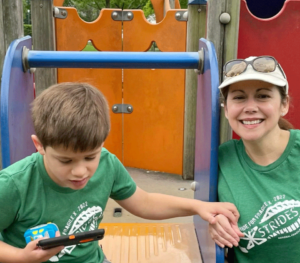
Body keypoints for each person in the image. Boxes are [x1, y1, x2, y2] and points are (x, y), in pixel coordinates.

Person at [0, 82, 240, 263]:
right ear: (39, 145)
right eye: (65, 160)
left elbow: (144, 203)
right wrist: (21, 257)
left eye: (90, 157)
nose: (81, 171)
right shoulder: (14, 184)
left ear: (102, 143)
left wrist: (197, 207)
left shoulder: (107, 164)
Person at [209, 56, 300, 262]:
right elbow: (204, 212)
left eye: (263, 96)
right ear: (226, 108)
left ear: (283, 104)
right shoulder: (220, 159)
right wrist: (214, 221)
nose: (250, 107)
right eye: (239, 98)